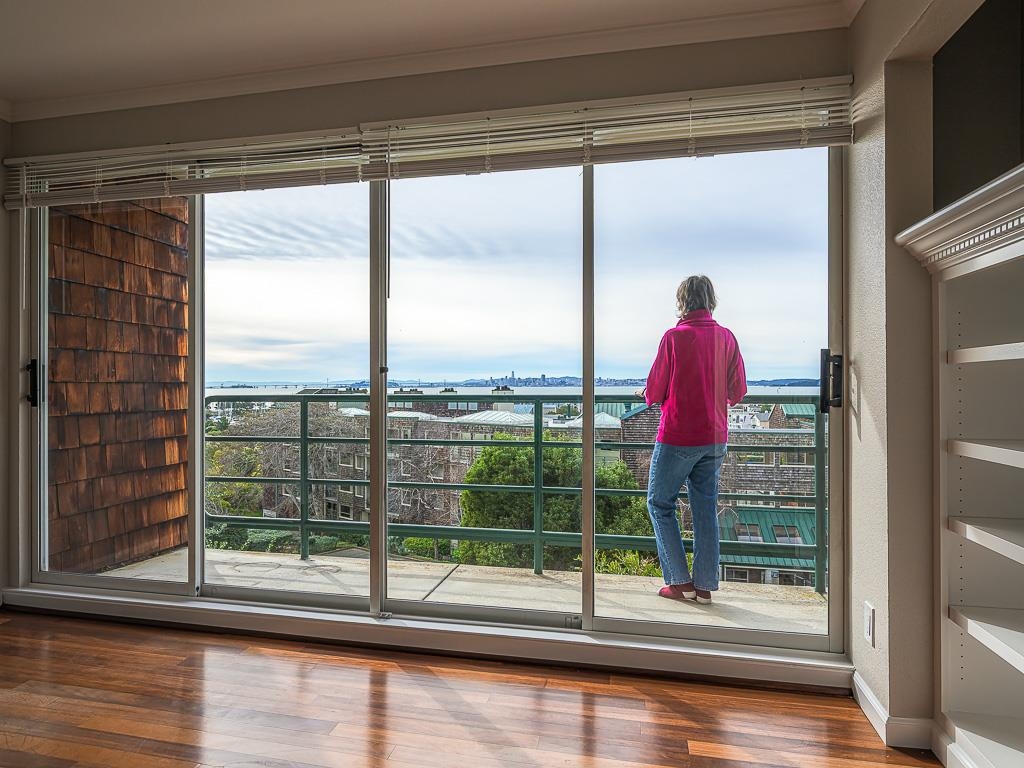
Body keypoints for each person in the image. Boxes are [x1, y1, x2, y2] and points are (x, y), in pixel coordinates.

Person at [640, 275, 746, 604]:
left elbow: (654, 391)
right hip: (714, 437)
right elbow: (737, 391)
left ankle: (679, 582)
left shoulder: (674, 338)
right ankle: (704, 587)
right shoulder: (726, 337)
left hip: (678, 435)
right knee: (705, 509)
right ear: (711, 300)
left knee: (660, 504)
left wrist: (646, 393)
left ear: (682, 302)